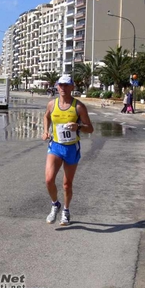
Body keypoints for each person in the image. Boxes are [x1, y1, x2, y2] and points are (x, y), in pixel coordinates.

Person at [42, 75, 94, 226]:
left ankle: (66, 210)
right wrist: (46, 131)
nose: (63, 88)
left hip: (72, 147)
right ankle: (55, 204)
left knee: (67, 184)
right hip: (56, 146)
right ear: (57, 87)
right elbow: (46, 117)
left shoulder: (78, 107)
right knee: (49, 179)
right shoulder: (52, 104)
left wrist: (78, 127)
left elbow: (90, 128)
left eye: (66, 85)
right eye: (61, 85)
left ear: (72, 87)